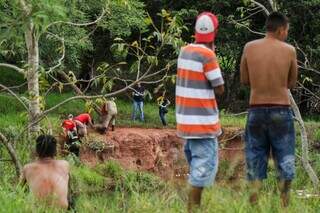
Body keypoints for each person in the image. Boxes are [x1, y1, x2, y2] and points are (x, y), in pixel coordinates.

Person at [240, 12, 298, 207]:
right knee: (285, 158)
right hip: (281, 110)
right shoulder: (289, 50)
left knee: (255, 158)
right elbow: (291, 83)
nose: (287, 34)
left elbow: (245, 80)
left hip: (255, 110)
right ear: (281, 29)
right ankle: (284, 205)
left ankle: (254, 206)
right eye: (287, 31)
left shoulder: (249, 47)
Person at [175, 12, 224, 212]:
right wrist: (213, 53)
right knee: (201, 173)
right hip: (204, 124)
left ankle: (194, 207)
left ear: (196, 31)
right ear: (215, 33)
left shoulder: (184, 51)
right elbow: (219, 87)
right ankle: (192, 209)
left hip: (186, 123)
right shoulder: (209, 55)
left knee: (196, 169)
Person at [20, 135, 71, 209]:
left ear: (36, 151)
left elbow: (20, 191)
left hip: (38, 210)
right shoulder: (64, 165)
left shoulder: (27, 168)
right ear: (55, 151)